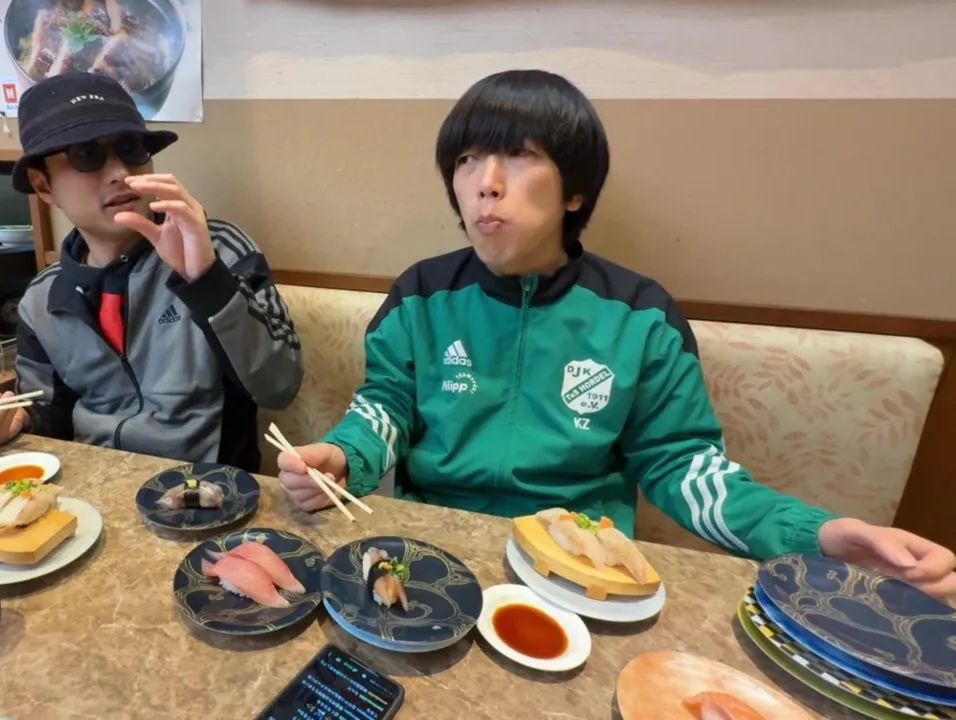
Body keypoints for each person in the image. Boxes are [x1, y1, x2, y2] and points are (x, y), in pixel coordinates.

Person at [275, 69, 956, 600]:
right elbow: (386, 408)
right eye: (466, 160)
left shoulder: (641, 316)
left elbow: (683, 468)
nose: (485, 183)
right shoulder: (422, 294)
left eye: (518, 156)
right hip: (434, 552)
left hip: (581, 570)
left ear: (575, 192)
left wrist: (820, 535)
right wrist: (343, 456)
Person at [0, 72, 303, 472]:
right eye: (86, 154)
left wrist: (206, 282)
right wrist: (13, 419)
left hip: (208, 489)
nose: (120, 173)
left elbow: (280, 386)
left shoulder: (215, 249)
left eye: (131, 149)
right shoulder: (42, 300)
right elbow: (49, 412)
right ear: (43, 185)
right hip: (93, 488)